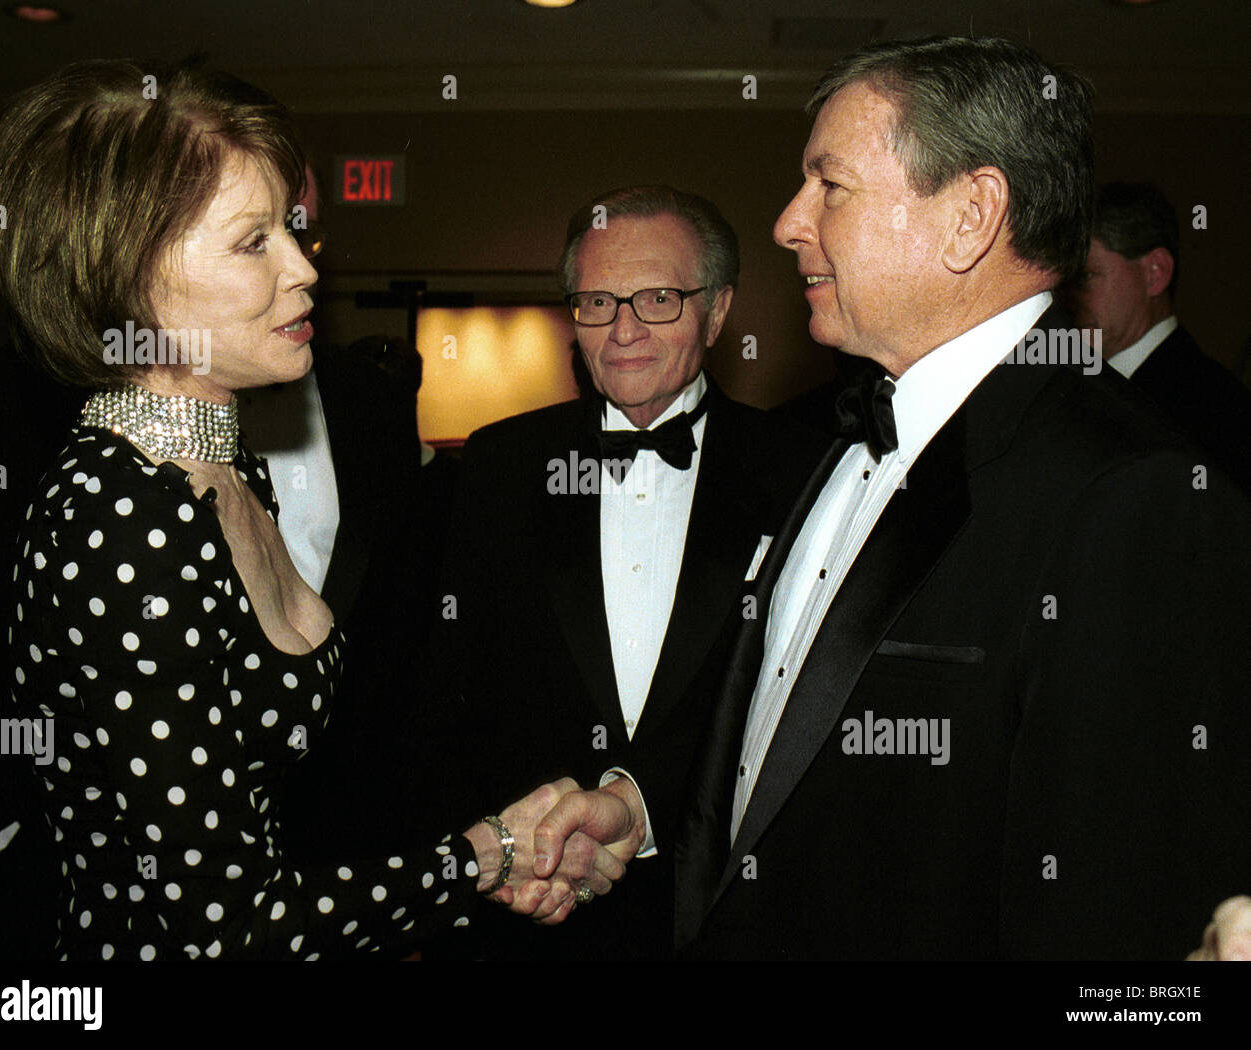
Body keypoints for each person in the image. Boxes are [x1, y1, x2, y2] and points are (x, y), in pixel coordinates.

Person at [537, 36, 1251, 960]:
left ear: (970, 217)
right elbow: (787, 720)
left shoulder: (1136, 498)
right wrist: (636, 808)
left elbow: (1116, 907)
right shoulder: (836, 437)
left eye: (829, 186)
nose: (790, 222)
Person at [0, 57, 626, 961]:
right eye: (255, 243)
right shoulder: (121, 516)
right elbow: (228, 925)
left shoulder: (223, 459)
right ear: (130, 275)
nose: (304, 268)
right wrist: (483, 856)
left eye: (291, 231)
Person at [435, 186, 818, 958]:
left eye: (659, 298)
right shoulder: (498, 464)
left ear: (717, 311)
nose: (624, 329)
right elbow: (447, 695)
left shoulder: (802, 469)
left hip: (722, 904)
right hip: (527, 909)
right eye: (598, 301)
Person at [1069, 181, 1251, 491]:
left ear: (1155, 272)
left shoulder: (1212, 411)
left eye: (1085, 276)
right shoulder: (1082, 385)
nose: (1069, 296)